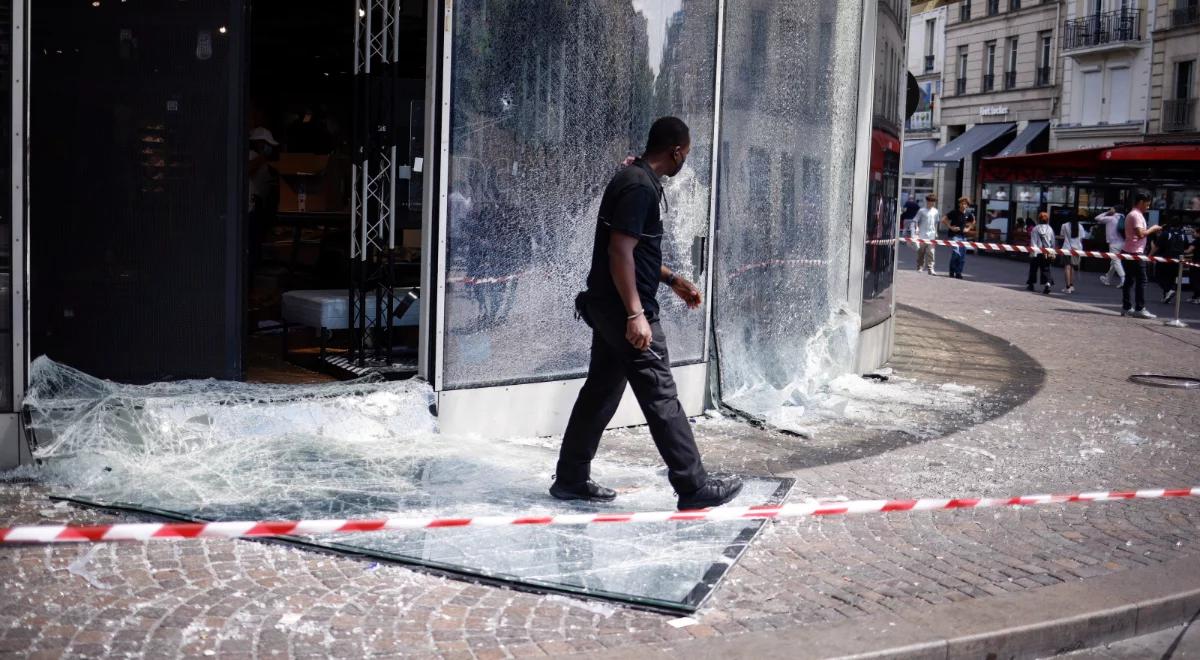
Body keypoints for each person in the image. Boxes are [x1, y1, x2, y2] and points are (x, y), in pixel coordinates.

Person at [552, 117, 742, 511]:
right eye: (685, 154)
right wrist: (635, 314)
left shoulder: (635, 180)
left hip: (610, 308)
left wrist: (673, 279)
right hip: (625, 311)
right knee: (661, 396)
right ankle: (693, 487)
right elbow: (619, 252)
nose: (684, 161)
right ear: (675, 151)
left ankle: (571, 477)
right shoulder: (638, 187)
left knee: (600, 392)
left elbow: (635, 251)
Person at [1120, 193, 1164, 319]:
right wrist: (1153, 229)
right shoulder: (1136, 215)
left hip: (1128, 250)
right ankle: (1139, 308)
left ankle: (1127, 307)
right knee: (1141, 280)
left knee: (1129, 280)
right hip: (1135, 252)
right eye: (1147, 204)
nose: (1148, 207)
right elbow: (1140, 234)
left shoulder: (1132, 214)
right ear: (1141, 202)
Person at [1148, 216, 1192, 304]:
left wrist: (1149, 255)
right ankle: (1166, 296)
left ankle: (1169, 290)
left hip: (1165, 259)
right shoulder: (1183, 235)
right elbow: (1186, 247)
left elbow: (1157, 246)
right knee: (1171, 277)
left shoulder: (1166, 234)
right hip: (1178, 260)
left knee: (1159, 276)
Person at [941, 196, 976, 279]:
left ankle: (958, 273)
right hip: (955, 236)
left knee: (962, 256)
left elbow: (973, 221)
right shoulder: (954, 212)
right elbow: (943, 219)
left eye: (965, 204)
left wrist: (968, 228)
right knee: (956, 253)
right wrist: (951, 227)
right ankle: (952, 271)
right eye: (962, 204)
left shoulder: (968, 213)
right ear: (959, 204)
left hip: (963, 237)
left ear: (967, 205)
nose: (964, 205)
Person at [1095, 206, 1126, 287]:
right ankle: (1107, 278)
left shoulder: (1111, 218)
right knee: (1114, 262)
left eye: (1112, 208)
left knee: (1116, 261)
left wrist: (1107, 212)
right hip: (1122, 242)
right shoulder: (1123, 218)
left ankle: (1123, 279)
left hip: (1114, 243)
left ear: (1115, 210)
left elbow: (1097, 218)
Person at [1026, 212, 1056, 295]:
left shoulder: (1035, 229)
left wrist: (1033, 253)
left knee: (1033, 268)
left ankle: (1031, 284)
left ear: (1039, 219)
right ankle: (1047, 285)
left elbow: (1033, 242)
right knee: (1046, 269)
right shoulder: (1050, 229)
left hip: (1037, 251)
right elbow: (1053, 242)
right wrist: (1052, 253)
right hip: (1047, 251)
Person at [1058, 214, 1087, 294]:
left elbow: (1062, 236)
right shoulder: (1080, 226)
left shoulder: (1064, 225)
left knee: (1067, 267)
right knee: (1072, 268)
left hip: (1067, 248)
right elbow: (1081, 239)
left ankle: (1067, 287)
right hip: (1077, 249)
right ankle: (1071, 285)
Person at [912, 193, 939, 274]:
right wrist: (916, 228)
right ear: (927, 201)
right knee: (921, 252)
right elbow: (915, 220)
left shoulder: (936, 211)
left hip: (932, 235)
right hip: (922, 234)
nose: (932, 203)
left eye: (933, 201)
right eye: (930, 201)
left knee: (931, 252)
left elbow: (936, 222)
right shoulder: (921, 211)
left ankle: (931, 268)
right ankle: (920, 266)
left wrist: (936, 232)